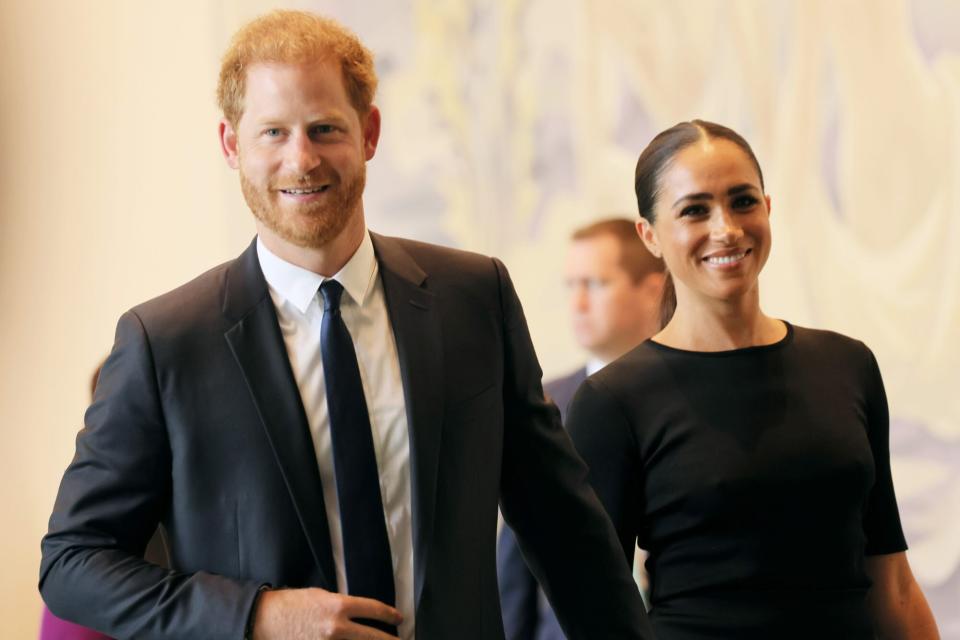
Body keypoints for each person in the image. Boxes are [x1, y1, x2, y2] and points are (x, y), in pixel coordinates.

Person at [39, 11, 652, 640]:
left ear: (369, 133)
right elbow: (72, 562)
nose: (300, 159)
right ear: (231, 145)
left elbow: (562, 524)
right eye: (272, 132)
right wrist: (256, 616)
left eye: (324, 128)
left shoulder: (473, 297)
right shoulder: (164, 342)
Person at [565, 119, 940, 639]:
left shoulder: (847, 364)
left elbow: (892, 579)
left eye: (742, 201)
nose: (726, 228)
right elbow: (596, 610)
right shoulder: (613, 401)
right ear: (649, 235)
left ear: (768, 207)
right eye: (695, 209)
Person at [497, 218, 663, 640]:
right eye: (571, 286)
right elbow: (519, 565)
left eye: (596, 284)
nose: (578, 303)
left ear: (653, 289)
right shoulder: (541, 402)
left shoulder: (695, 398)